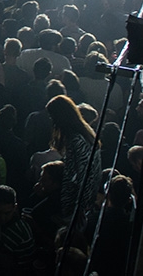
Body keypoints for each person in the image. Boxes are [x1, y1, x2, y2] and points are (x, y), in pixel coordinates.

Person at [46, 94, 98, 226]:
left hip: (75, 202)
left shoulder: (75, 140)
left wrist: (80, 206)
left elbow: (83, 175)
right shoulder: (84, 134)